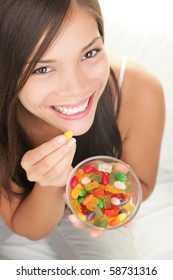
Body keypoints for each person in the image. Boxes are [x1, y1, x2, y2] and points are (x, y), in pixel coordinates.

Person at [0, 0, 165, 259]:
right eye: (42, 68)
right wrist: (49, 184)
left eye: (89, 53)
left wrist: (106, 193)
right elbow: (27, 227)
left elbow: (142, 183)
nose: (76, 88)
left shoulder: (139, 90)